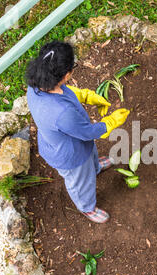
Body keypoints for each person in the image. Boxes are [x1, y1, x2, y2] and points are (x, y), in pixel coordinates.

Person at [25, 40, 130, 223]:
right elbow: (89, 133)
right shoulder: (61, 113)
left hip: (73, 143)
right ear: (66, 75)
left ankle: (95, 167)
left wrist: (86, 95)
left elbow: (64, 91)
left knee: (90, 155)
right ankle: (86, 207)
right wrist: (111, 122)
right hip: (70, 156)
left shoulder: (38, 84)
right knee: (81, 183)